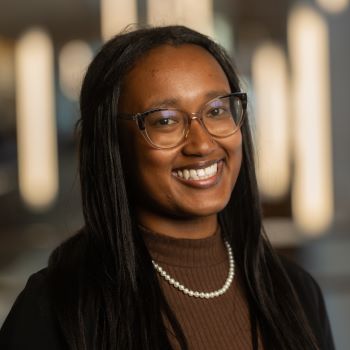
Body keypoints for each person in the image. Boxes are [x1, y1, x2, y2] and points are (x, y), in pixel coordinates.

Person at [0, 25, 334, 350]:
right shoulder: (56, 307)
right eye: (165, 120)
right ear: (112, 143)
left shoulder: (295, 292)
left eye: (217, 110)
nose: (202, 144)